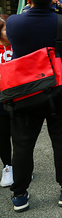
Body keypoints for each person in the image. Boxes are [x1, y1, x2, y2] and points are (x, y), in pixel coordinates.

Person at [7, 0, 62, 212]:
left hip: (24, 90)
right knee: (61, 140)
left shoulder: (13, 22)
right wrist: (58, 7)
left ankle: (19, 195)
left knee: (22, 143)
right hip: (59, 89)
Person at [0, 15, 13, 188]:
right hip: (0, 99)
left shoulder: (20, 46)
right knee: (2, 136)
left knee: (20, 136)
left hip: (18, 97)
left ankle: (23, 167)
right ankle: (8, 167)